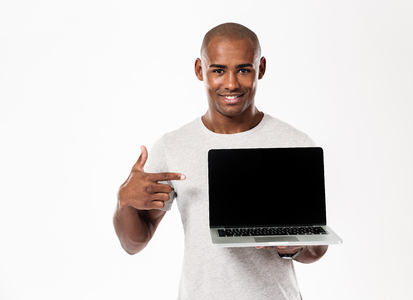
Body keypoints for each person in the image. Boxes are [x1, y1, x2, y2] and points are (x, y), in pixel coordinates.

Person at [113, 22, 328, 299]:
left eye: (243, 69)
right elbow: (135, 243)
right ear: (200, 70)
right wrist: (124, 202)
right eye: (218, 70)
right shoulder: (172, 146)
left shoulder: (294, 143)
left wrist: (291, 246)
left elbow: (317, 248)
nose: (231, 83)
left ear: (260, 68)